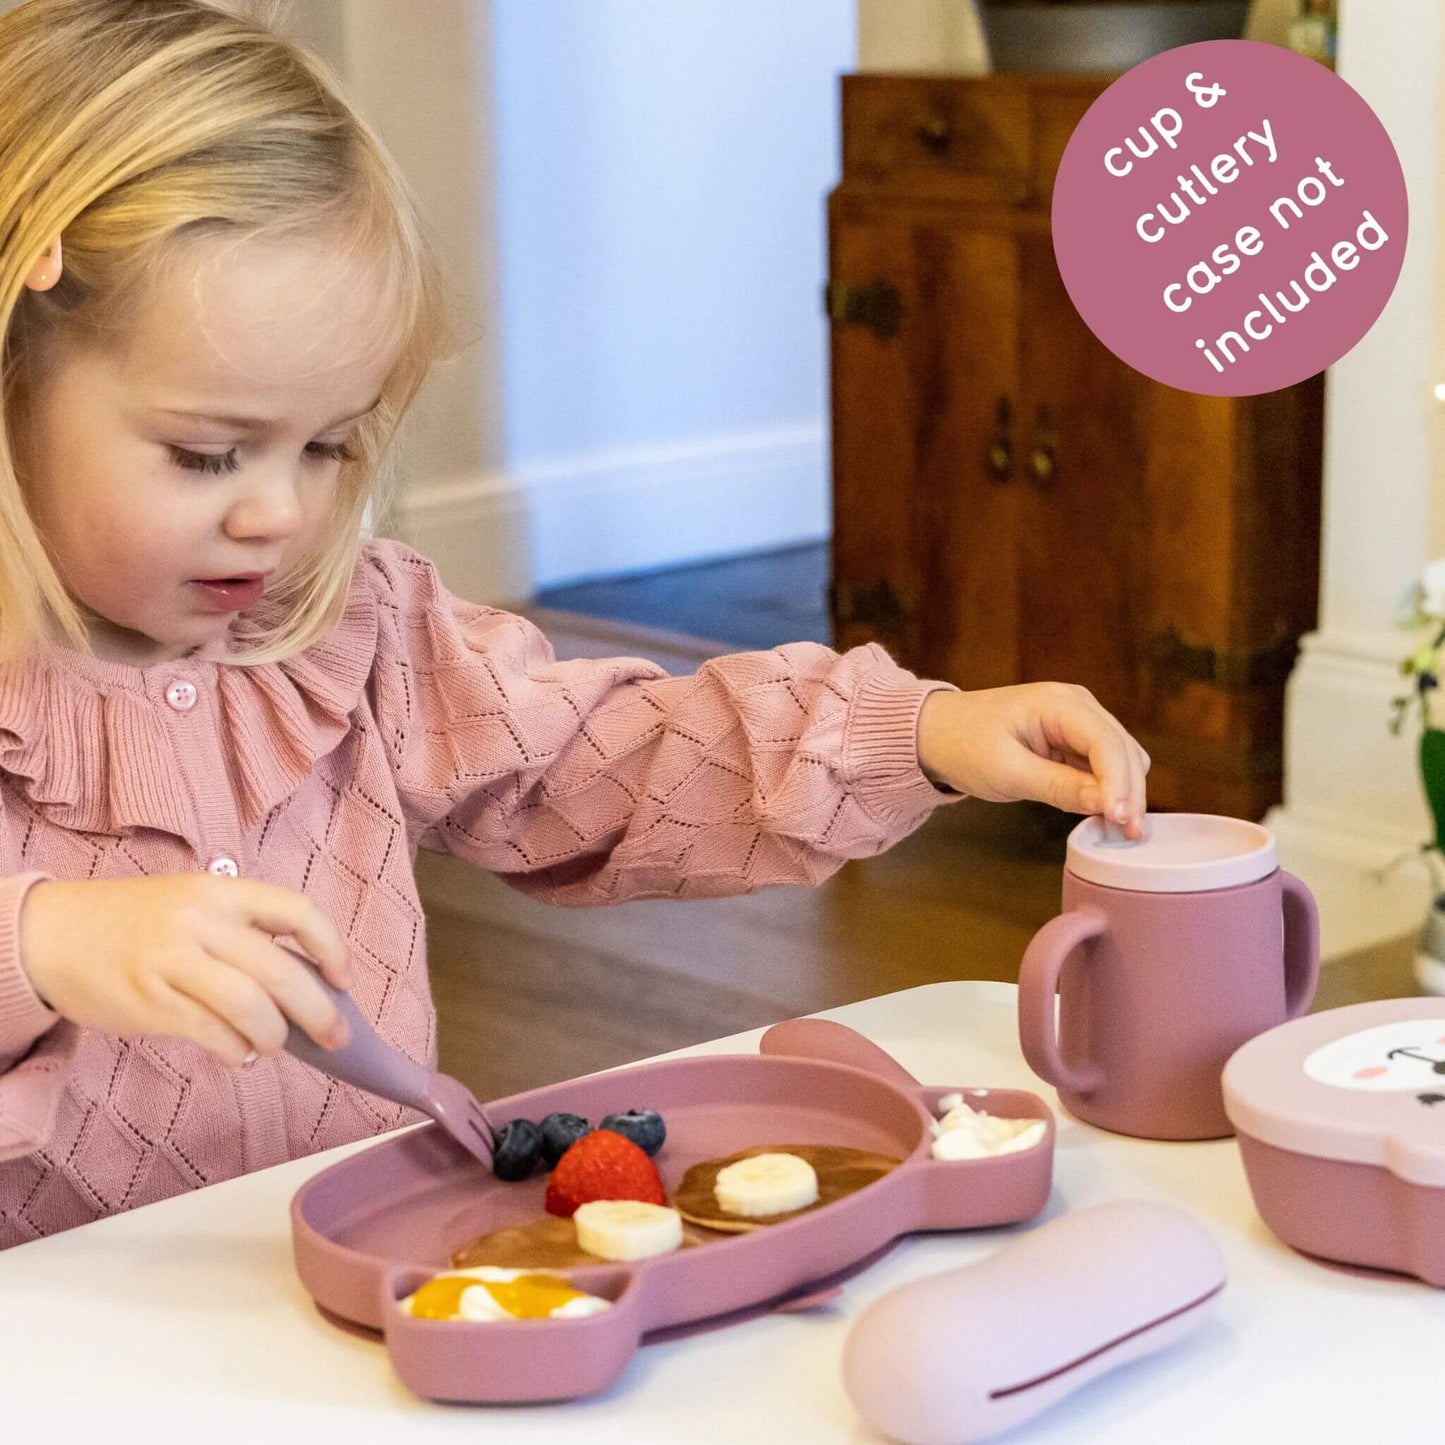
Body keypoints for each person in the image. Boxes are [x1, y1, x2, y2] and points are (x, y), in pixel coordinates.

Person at [0, 0, 1149, 1247]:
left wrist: (916, 732)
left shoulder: (351, 634)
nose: (277, 511)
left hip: (336, 1285)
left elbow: (614, 752)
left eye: (327, 444)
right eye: (208, 452)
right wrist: (45, 936)